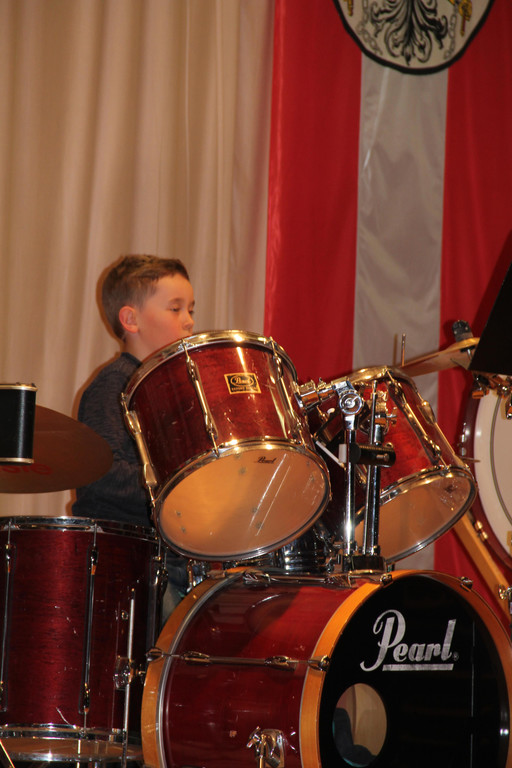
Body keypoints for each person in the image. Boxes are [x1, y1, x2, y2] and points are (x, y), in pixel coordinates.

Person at [73, 254, 196, 617]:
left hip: (170, 558)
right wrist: (178, 492)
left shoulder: (170, 390)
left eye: (191, 309)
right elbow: (103, 473)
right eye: (175, 308)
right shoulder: (114, 385)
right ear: (131, 320)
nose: (189, 320)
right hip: (128, 561)